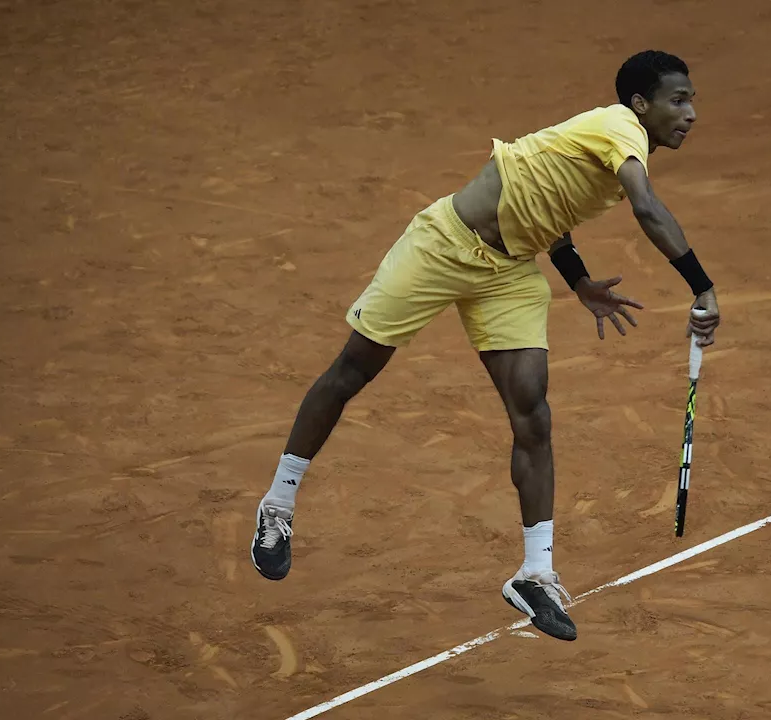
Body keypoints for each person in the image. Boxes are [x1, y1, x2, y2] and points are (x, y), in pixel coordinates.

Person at [250, 50, 720, 642]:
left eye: (692, 100)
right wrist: (701, 287)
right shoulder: (619, 130)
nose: (692, 113)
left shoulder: (610, 148)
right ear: (640, 105)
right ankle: (278, 505)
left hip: (509, 272)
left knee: (533, 412)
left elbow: (552, 203)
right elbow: (648, 211)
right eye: (679, 100)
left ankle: (535, 573)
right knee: (354, 370)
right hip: (444, 245)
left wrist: (576, 280)